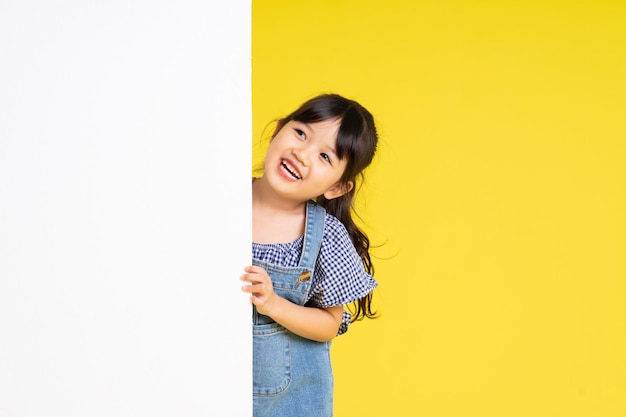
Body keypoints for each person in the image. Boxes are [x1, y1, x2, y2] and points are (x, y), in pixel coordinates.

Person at [241, 93, 379, 417]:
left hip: (289, 404)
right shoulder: (217, 195)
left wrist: (274, 304)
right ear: (277, 130)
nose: (302, 154)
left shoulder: (325, 238)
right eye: (301, 133)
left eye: (325, 157)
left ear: (336, 188)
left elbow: (330, 323)